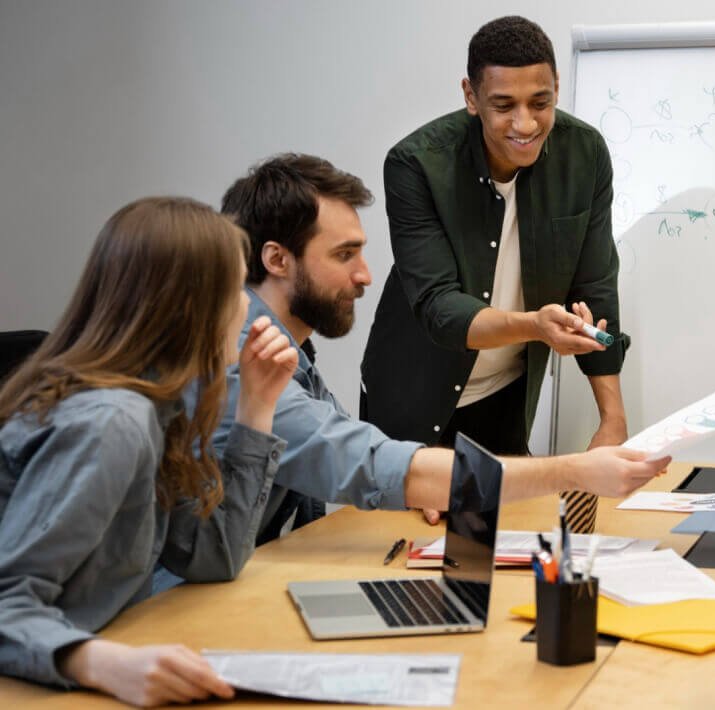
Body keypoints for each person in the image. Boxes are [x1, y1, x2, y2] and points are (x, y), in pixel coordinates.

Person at [207, 153, 666, 547]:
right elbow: (367, 463)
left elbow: (364, 449)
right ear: (277, 259)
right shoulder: (242, 361)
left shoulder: (285, 351)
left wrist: (427, 486)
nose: (365, 275)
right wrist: (575, 471)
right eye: (344, 255)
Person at [0, 197, 298, 705]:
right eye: (235, 287)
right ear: (190, 308)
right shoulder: (112, 423)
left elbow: (214, 556)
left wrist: (257, 406)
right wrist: (100, 661)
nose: (247, 306)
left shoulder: (156, 406)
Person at [362, 15, 626, 532]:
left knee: (502, 546)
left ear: (556, 89)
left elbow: (596, 287)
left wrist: (611, 419)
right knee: (405, 547)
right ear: (471, 96)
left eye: (540, 103)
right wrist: (534, 327)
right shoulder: (416, 164)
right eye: (504, 105)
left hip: (504, 395)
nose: (525, 124)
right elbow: (439, 308)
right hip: (413, 400)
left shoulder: (585, 154)